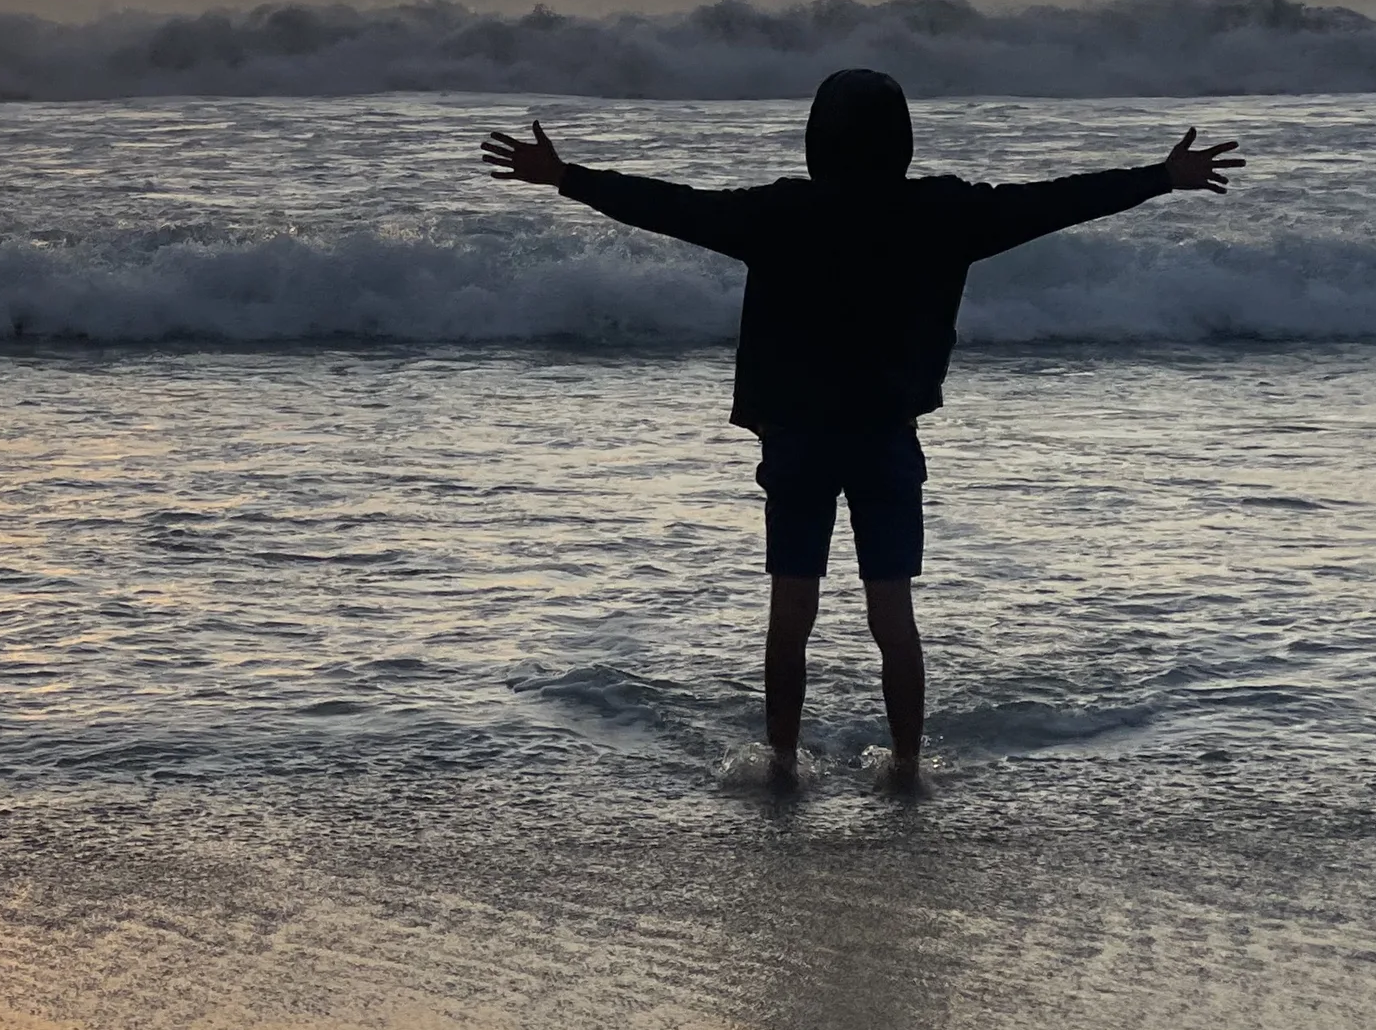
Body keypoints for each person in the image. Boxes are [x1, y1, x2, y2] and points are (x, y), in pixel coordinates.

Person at [483, 69, 1243, 792]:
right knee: (892, 614)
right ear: (901, 139)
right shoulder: (944, 214)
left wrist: (566, 176)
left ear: (818, 139)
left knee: (792, 609)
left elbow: (675, 207)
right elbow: (1050, 203)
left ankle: (782, 764)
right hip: (884, 435)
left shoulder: (779, 213)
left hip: (798, 437)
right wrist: (1158, 177)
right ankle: (905, 766)